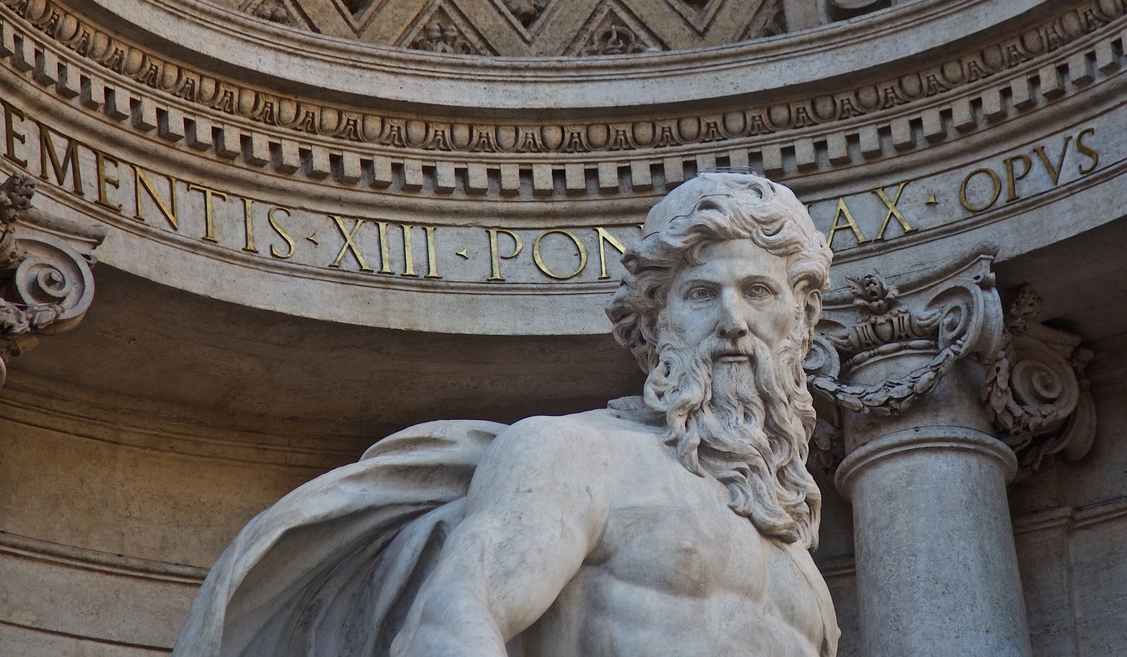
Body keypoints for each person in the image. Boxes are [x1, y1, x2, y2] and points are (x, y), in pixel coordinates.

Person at [172, 172, 838, 657]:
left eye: (758, 292)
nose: (733, 321)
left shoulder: (802, 569)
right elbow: (450, 624)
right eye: (700, 294)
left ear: (802, 318)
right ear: (655, 323)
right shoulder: (581, 457)